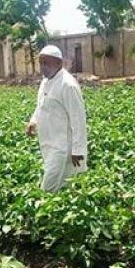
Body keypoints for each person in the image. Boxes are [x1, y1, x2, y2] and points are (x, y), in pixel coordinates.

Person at [25, 45, 88, 192]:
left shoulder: (68, 85)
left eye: (46, 63)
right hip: (48, 143)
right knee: (66, 186)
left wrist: (78, 150)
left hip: (63, 147)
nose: (42, 67)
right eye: (41, 63)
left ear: (59, 63)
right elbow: (42, 105)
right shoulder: (46, 81)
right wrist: (33, 121)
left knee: (47, 189)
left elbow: (78, 118)